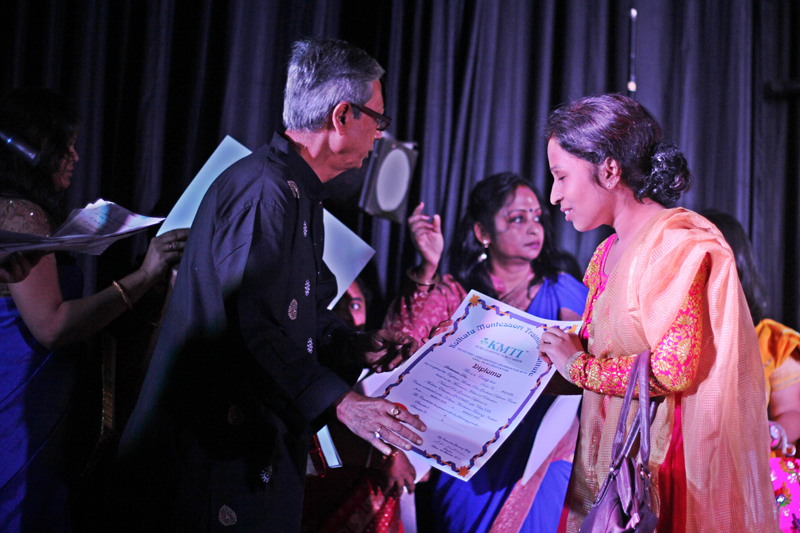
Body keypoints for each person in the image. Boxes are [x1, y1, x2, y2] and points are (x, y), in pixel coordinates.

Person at [115, 38, 426, 532]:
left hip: (251, 448)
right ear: (342, 116)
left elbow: (303, 316)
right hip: (212, 458)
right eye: (378, 118)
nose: (381, 134)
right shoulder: (264, 191)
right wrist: (343, 403)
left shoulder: (297, 190)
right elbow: (250, 328)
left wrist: (355, 345)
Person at [538, 93, 778, 532]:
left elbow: (671, 370)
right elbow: (597, 362)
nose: (554, 196)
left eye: (561, 177)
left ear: (609, 170)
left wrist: (576, 365)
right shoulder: (606, 252)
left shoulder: (676, 245)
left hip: (658, 474)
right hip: (603, 467)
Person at [0, 87, 188, 532]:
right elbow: (51, 326)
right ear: (35, 149)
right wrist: (146, 275)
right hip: (19, 405)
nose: (75, 157)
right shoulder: (22, 214)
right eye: (65, 145)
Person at [384, 172, 588, 533]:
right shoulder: (456, 293)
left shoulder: (562, 290)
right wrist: (428, 266)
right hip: (467, 452)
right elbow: (398, 351)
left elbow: (584, 366)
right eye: (517, 218)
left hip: (541, 451)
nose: (533, 227)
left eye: (537, 216)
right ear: (482, 232)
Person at [701, 209, 800, 446]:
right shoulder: (668, 333)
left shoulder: (772, 342)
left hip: (749, 461)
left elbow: (791, 412)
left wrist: (771, 434)